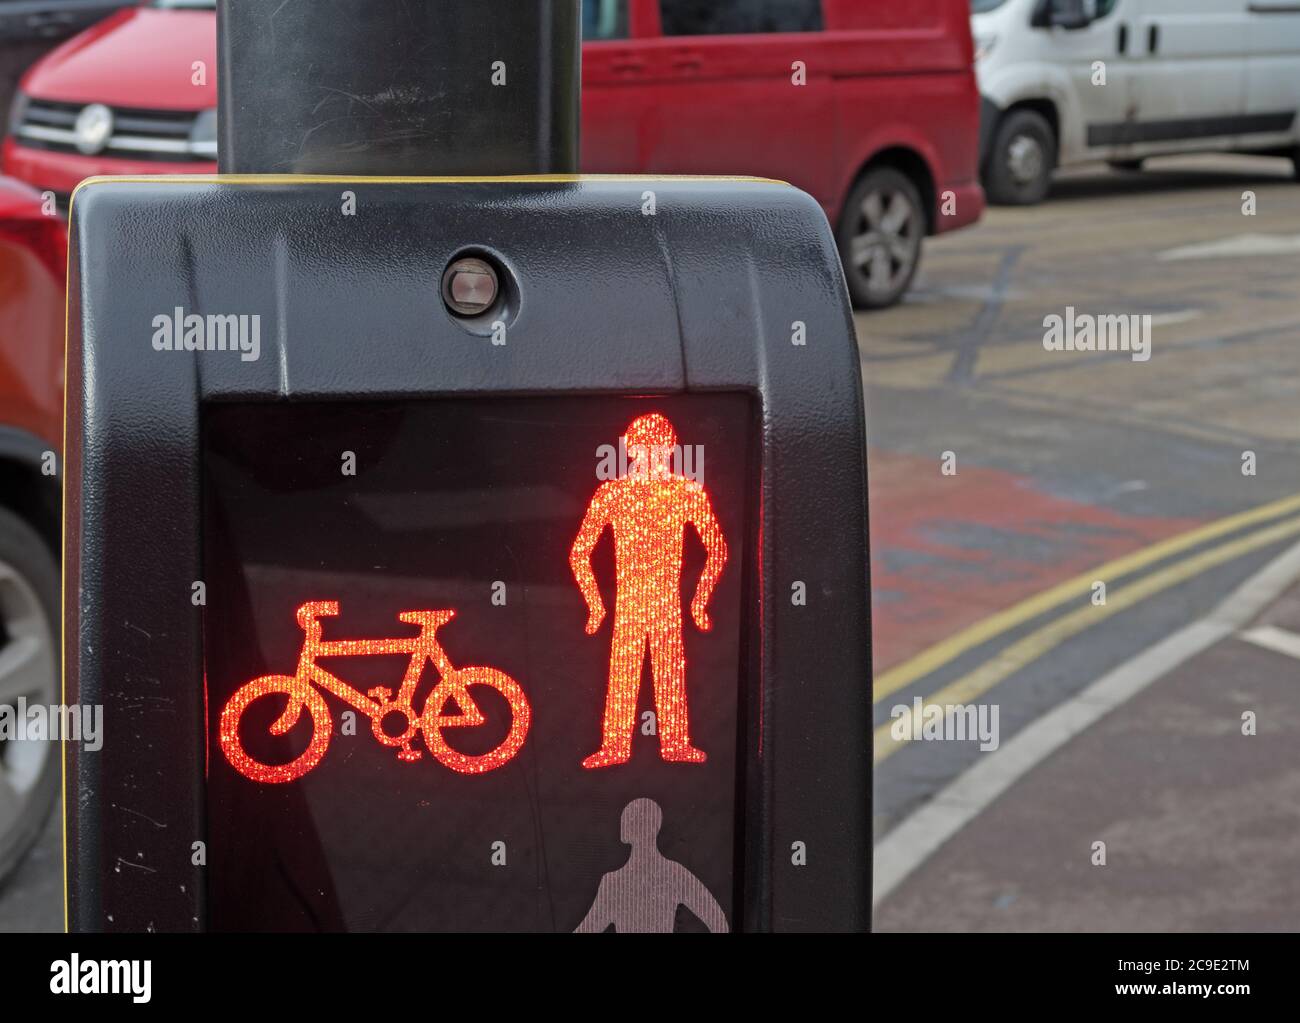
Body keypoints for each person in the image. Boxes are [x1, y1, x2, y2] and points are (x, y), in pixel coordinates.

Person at [569, 413, 727, 768]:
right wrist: (595, 605)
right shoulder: (614, 493)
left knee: (665, 672)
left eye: (655, 448)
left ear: (669, 449)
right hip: (631, 599)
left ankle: (671, 744)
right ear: (630, 449)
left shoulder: (685, 492)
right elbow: (580, 551)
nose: (649, 455)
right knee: (628, 673)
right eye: (643, 448)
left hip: (663, 599)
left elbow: (717, 549)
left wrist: (700, 602)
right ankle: (619, 747)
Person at [575, 798, 728, 933]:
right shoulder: (673, 873)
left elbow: (589, 928)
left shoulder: (615, 882)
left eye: (629, 819)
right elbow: (717, 920)